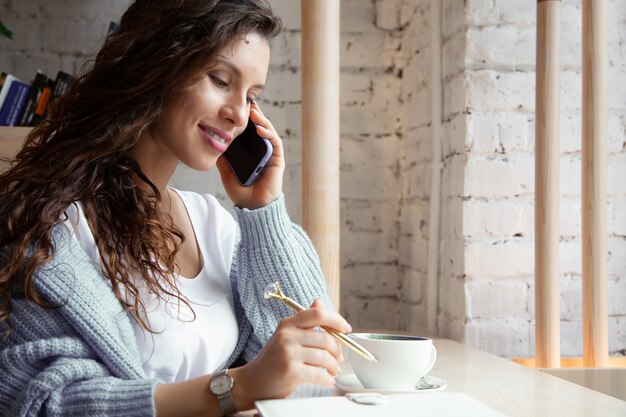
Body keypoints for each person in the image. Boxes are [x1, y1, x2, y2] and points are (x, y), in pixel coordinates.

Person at [0, 1, 351, 416]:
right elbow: (40, 403)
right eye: (221, 80)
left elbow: (316, 373)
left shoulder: (215, 226)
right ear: (158, 66)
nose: (238, 114)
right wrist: (237, 387)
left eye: (252, 97)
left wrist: (264, 211)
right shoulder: (53, 227)